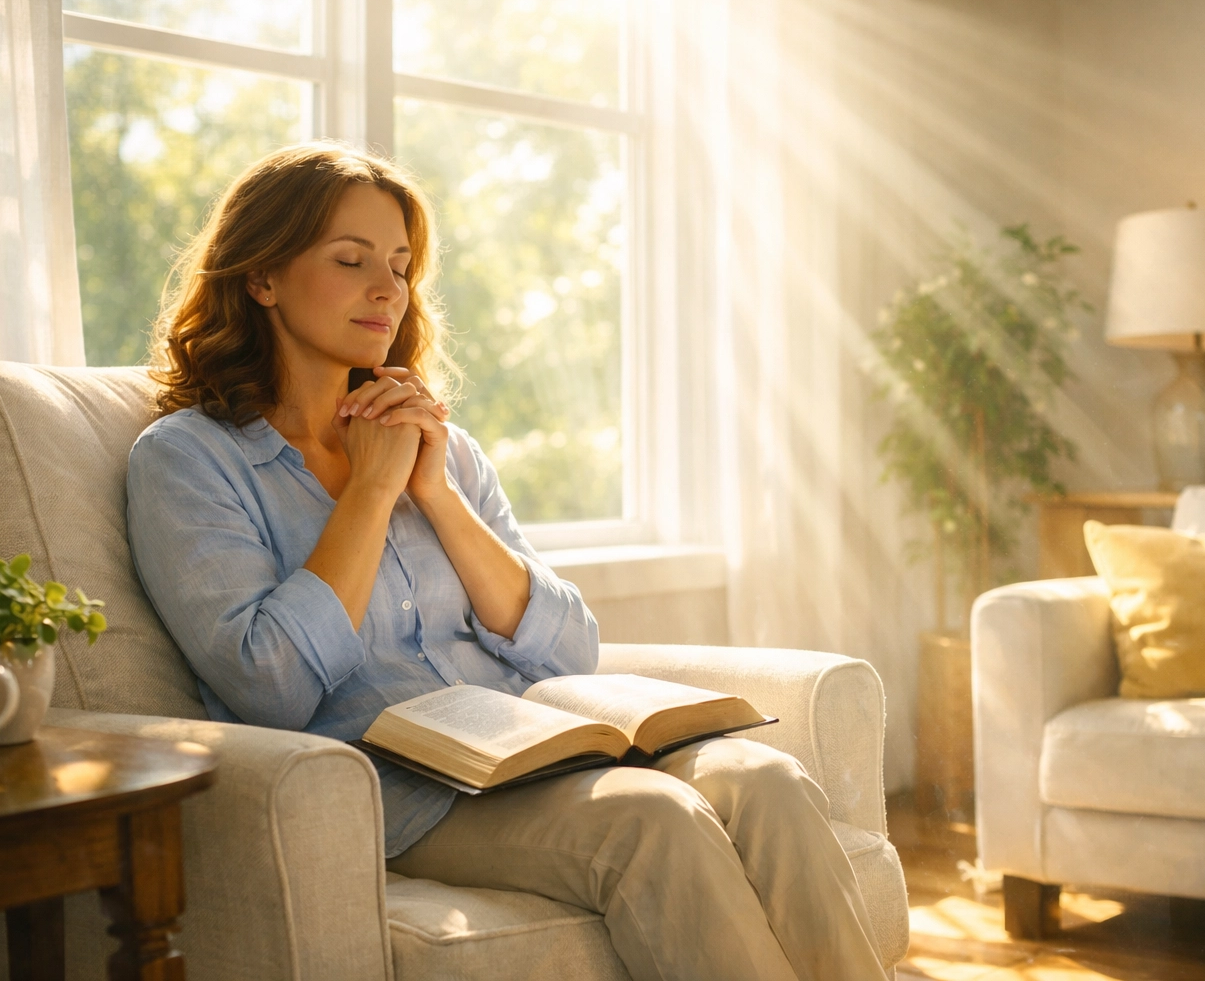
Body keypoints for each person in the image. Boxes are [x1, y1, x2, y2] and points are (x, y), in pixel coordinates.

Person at [126, 141, 887, 980]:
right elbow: (267, 685)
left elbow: (567, 650)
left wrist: (436, 493)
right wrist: (371, 494)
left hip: (540, 744)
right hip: (409, 792)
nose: (387, 289)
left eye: (402, 265)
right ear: (261, 278)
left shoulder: (444, 451)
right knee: (654, 819)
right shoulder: (189, 459)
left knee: (767, 778)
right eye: (350, 260)